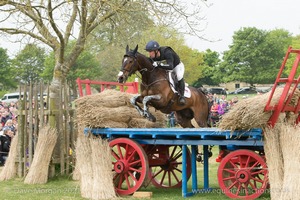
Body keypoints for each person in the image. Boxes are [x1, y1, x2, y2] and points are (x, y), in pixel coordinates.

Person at [145, 40, 186, 105]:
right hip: (166, 68)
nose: (149, 54)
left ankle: (182, 96)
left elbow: (170, 66)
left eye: (150, 52)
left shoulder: (167, 52)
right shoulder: (153, 57)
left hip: (176, 66)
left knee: (179, 76)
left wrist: (159, 65)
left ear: (156, 51)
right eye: (148, 52)